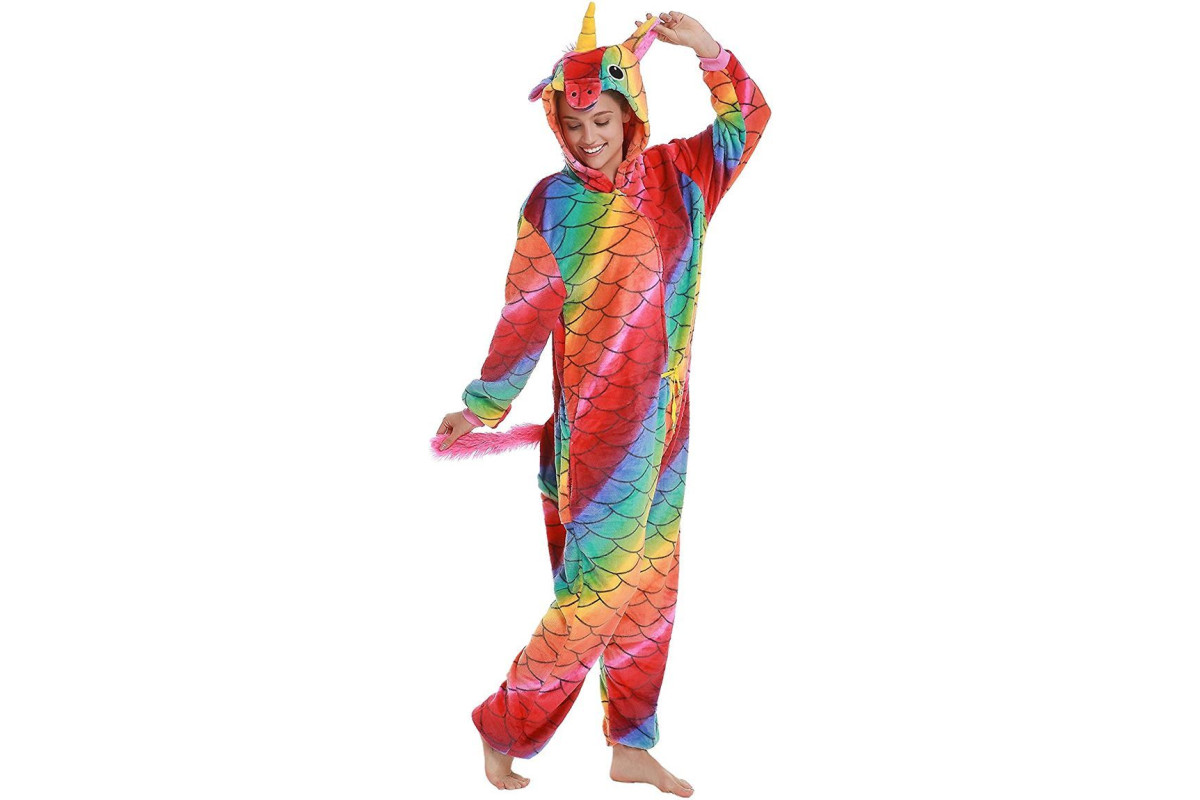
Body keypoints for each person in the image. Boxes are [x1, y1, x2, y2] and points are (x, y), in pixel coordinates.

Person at [435, 5, 770, 793]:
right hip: (596, 436)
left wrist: (710, 52)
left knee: (650, 591)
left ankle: (631, 743)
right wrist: (483, 405)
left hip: (669, 425)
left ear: (630, 114)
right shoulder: (552, 205)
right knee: (598, 593)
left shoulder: (683, 176)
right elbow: (524, 315)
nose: (588, 138)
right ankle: (503, 724)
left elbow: (749, 121)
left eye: (602, 121)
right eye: (574, 123)